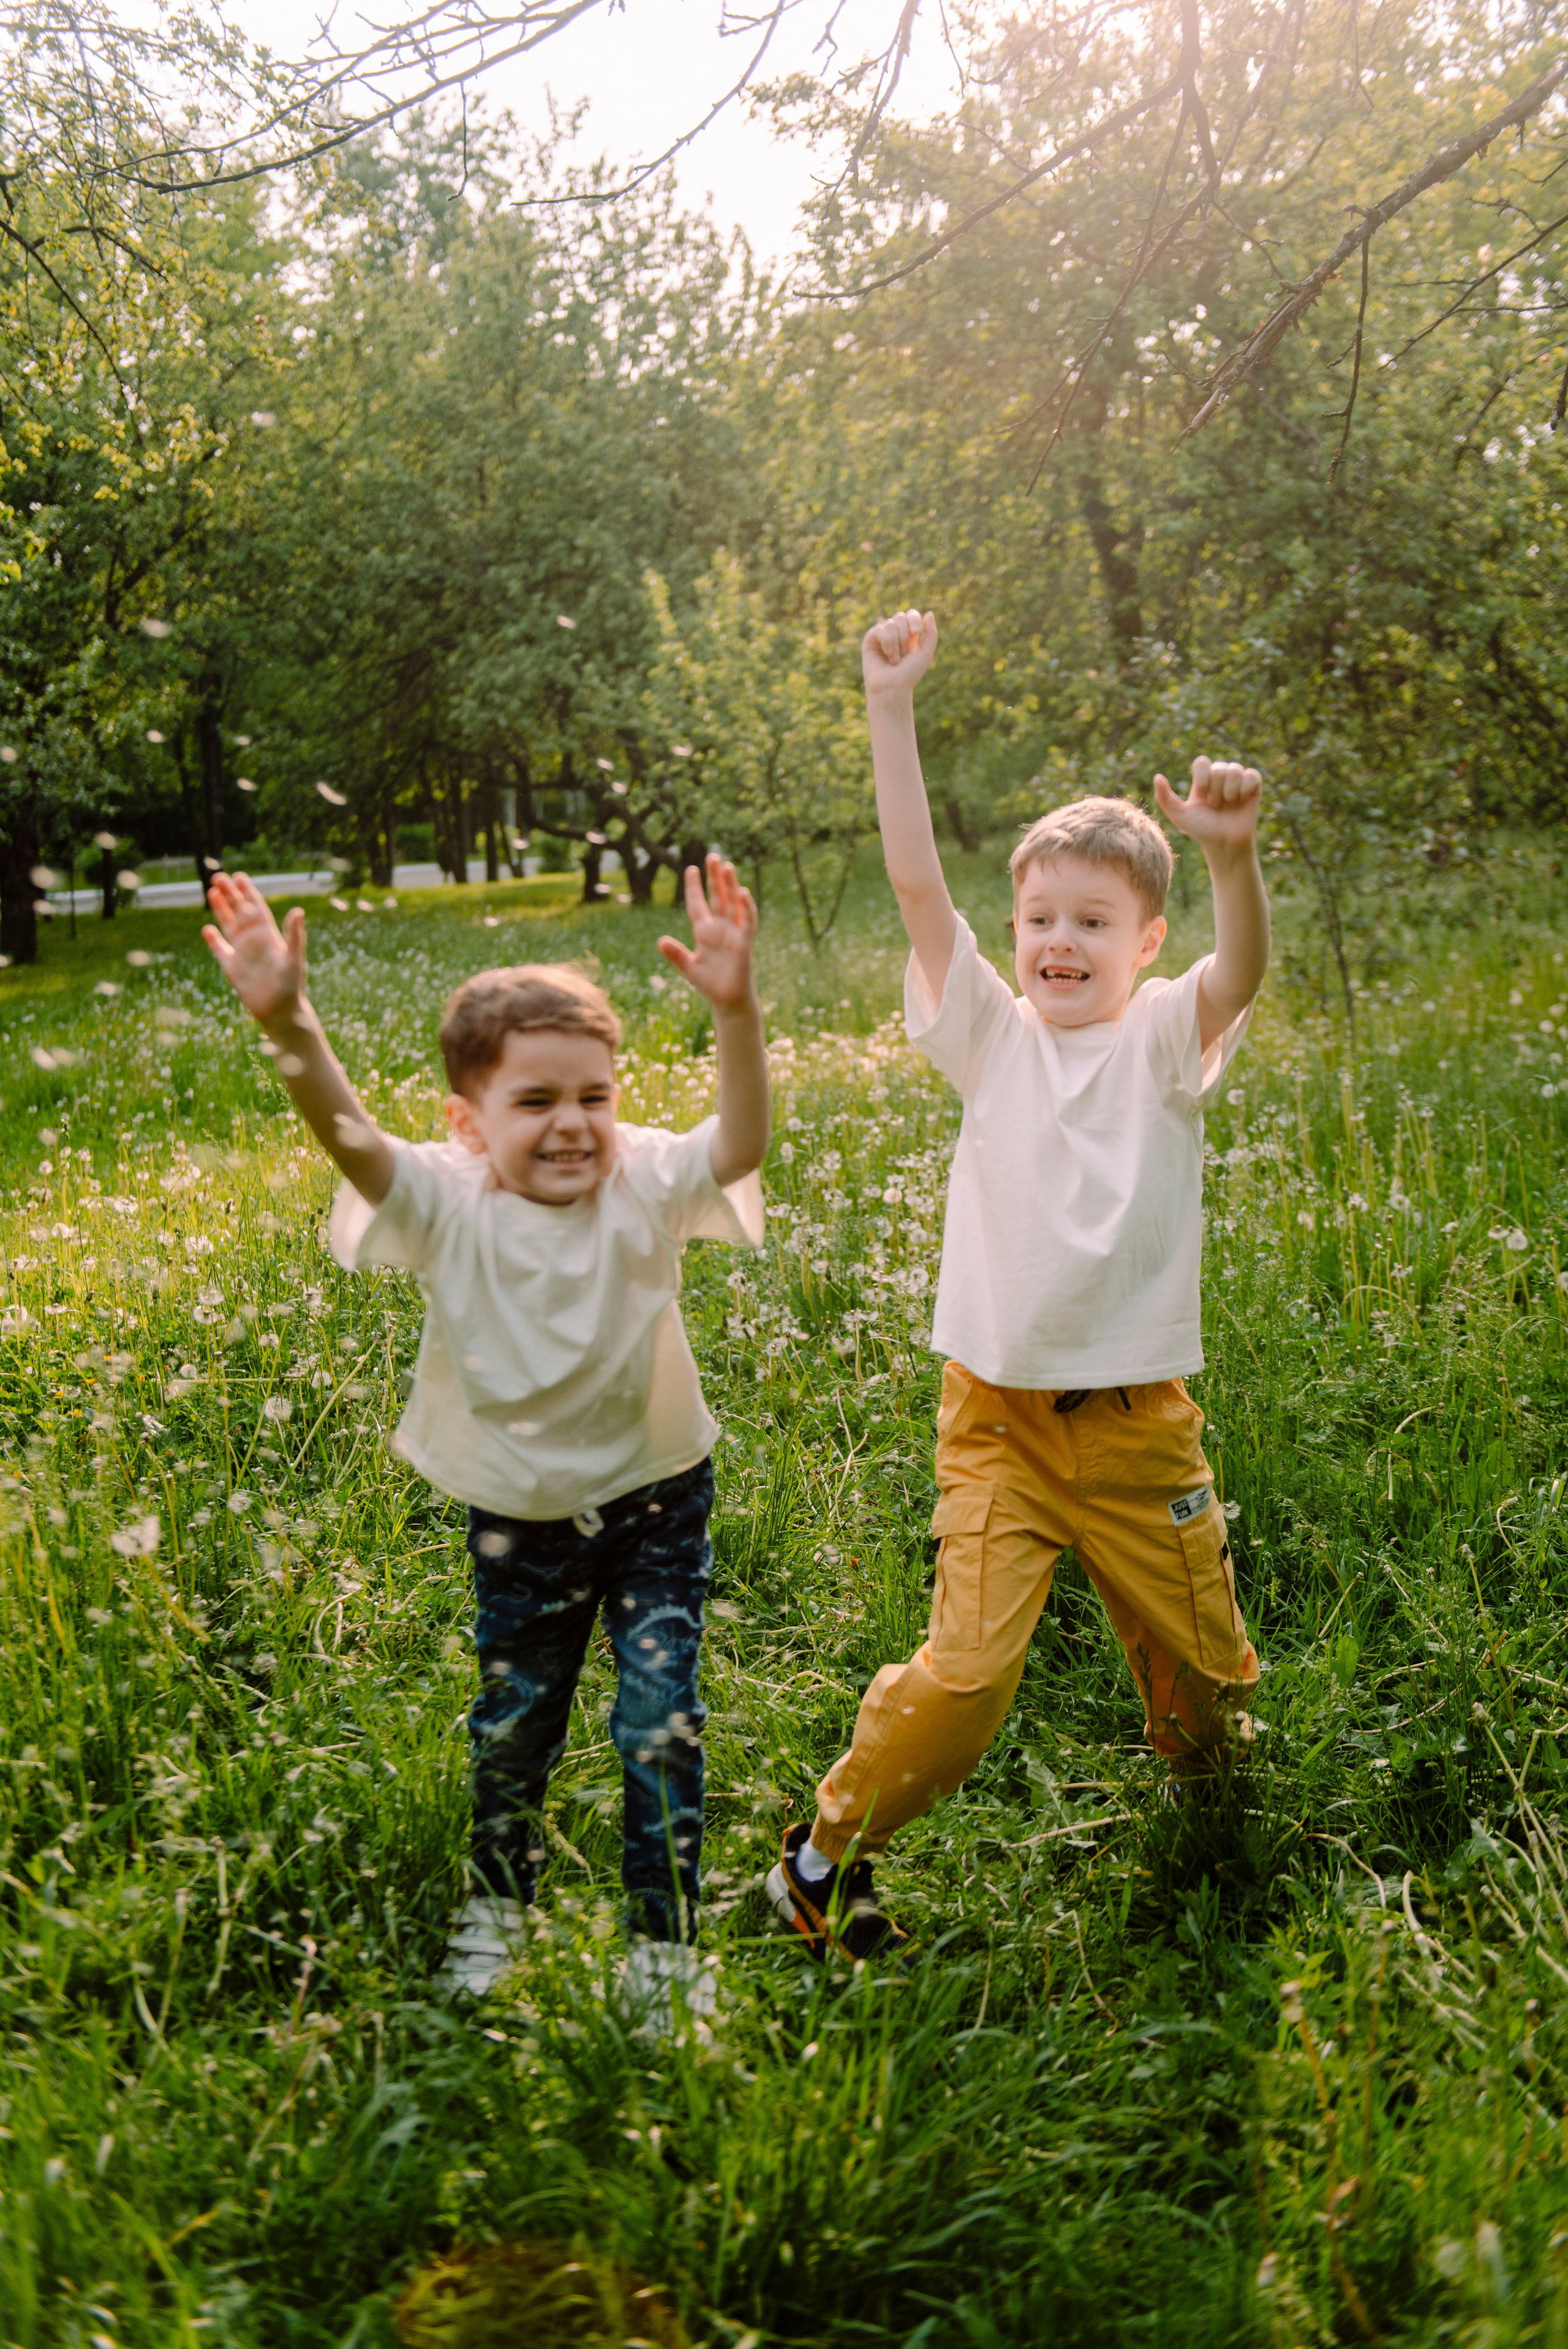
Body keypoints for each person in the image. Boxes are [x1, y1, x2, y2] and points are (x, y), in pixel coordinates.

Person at [767, 608, 1268, 1961]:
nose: (1060, 938)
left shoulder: (1163, 1039)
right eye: (1040, 915)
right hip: (994, 1421)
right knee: (968, 1677)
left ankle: (1212, 1831)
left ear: (1143, 940)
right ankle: (820, 1855)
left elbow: (1244, 968)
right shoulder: (987, 1034)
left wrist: (1234, 858)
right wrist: (889, 709)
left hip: (1137, 1423)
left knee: (1210, 1687)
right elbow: (918, 891)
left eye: (1091, 921)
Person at [203, 857, 769, 2005]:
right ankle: (497, 1904)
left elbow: (742, 1146)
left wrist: (736, 1009)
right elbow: (351, 1139)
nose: (572, 1125)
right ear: (468, 1122)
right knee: (518, 1722)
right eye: (536, 1101)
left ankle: (661, 1945)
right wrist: (291, 1021)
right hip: (519, 1514)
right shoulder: (443, 1198)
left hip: (659, 1496)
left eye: (593, 1097)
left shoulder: (646, 1178)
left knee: (661, 1722)